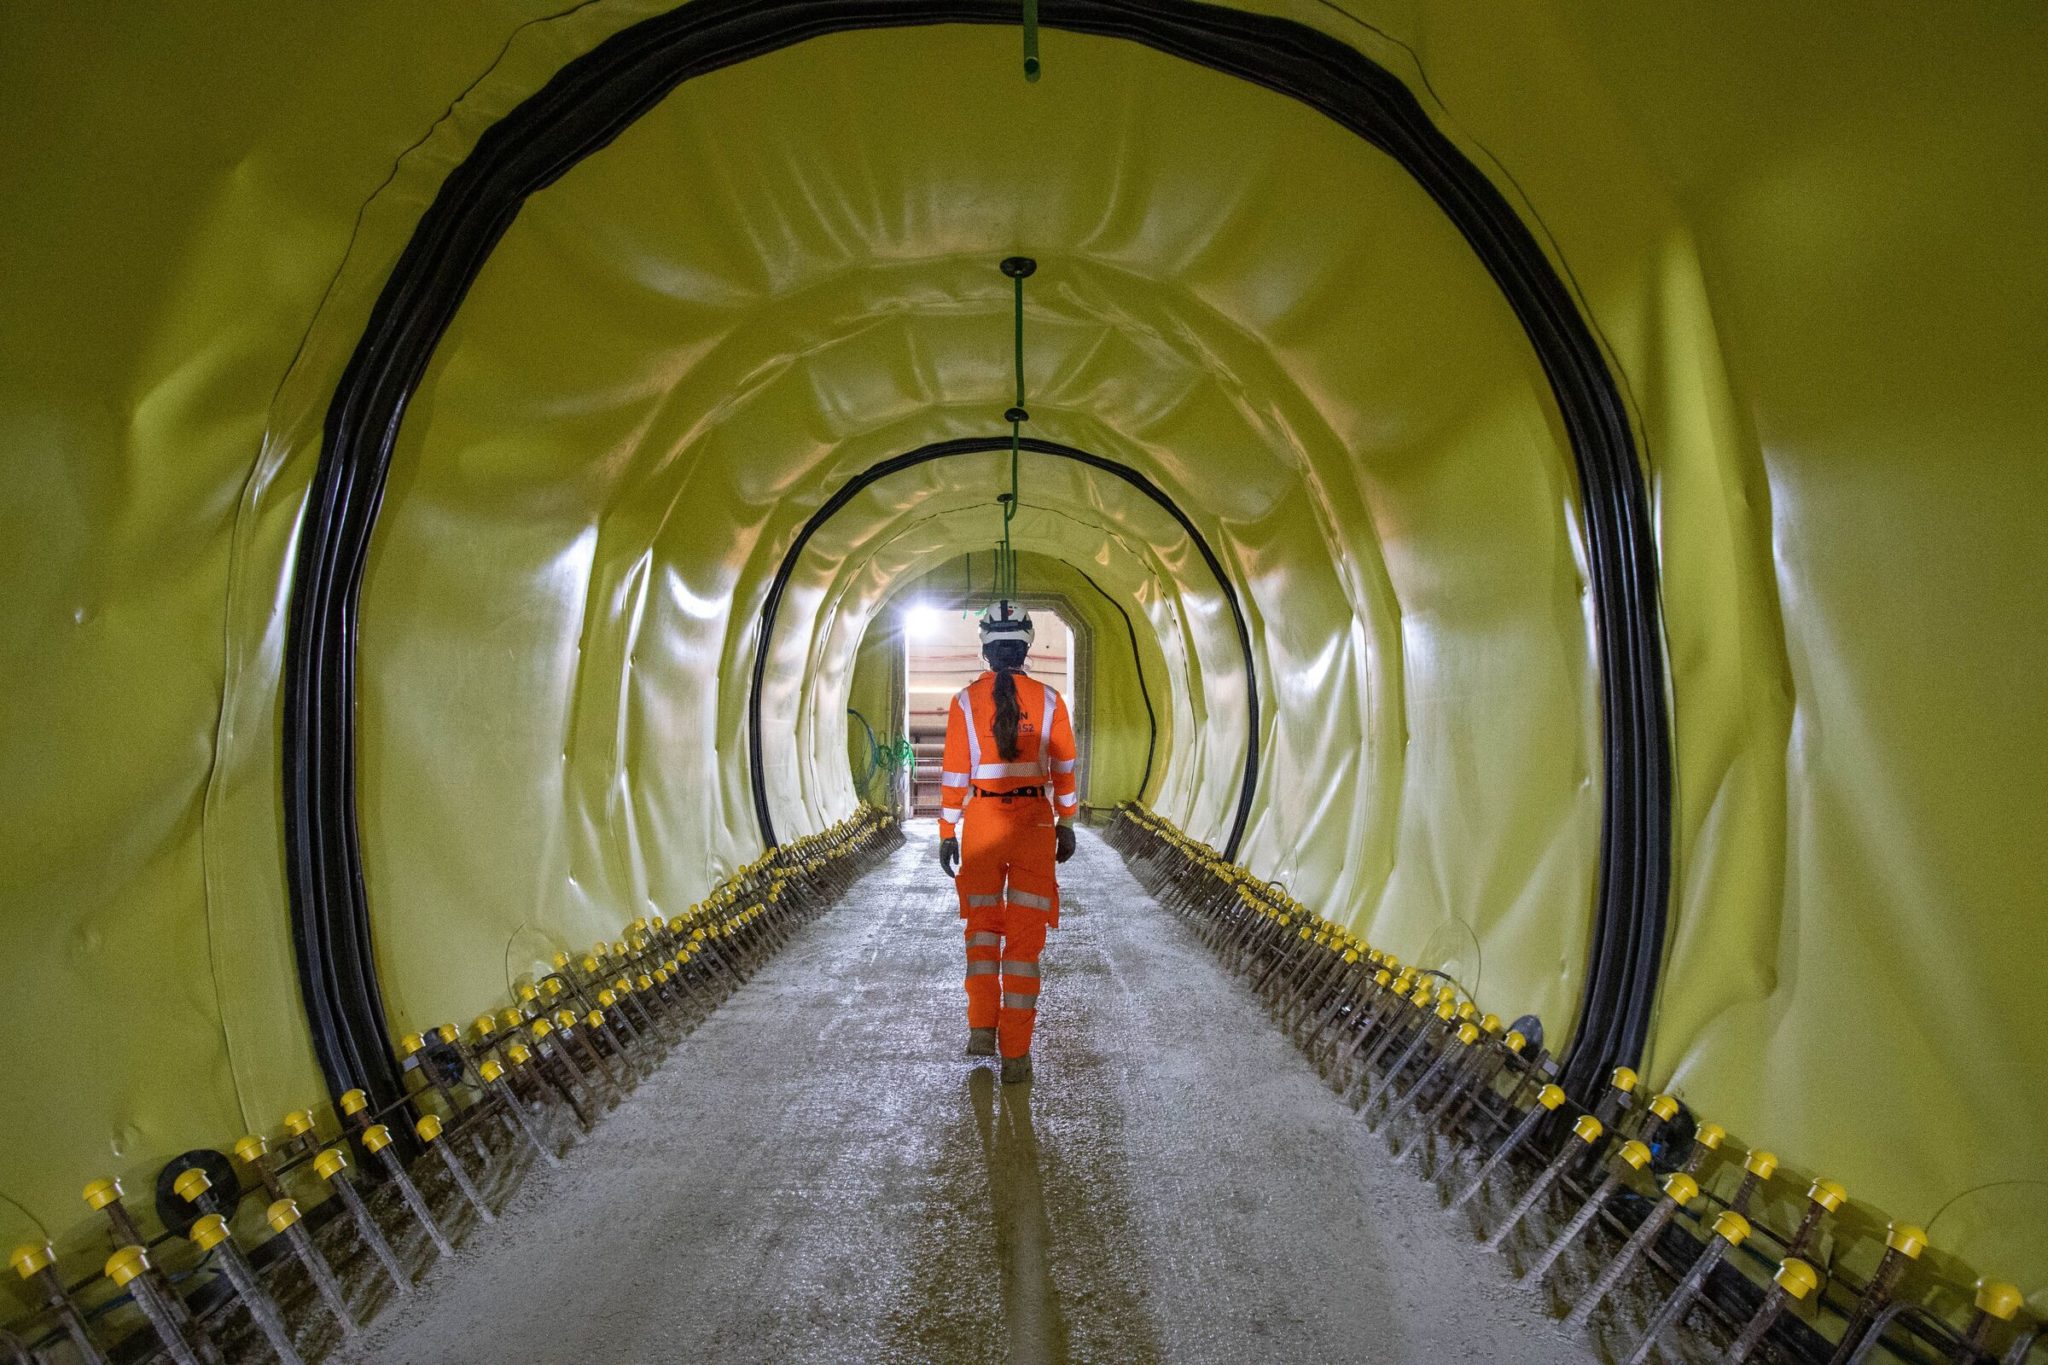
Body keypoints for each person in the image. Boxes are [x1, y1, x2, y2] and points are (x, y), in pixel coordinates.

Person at [938, 601, 1078, 1085]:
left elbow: (954, 772)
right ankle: (1016, 1057)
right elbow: (1064, 769)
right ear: (1025, 646)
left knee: (981, 930)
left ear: (986, 649)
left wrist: (946, 830)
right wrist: (1067, 822)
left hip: (981, 824)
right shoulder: (1051, 701)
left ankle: (981, 1028)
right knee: (1023, 942)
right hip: (1035, 828)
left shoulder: (963, 702)